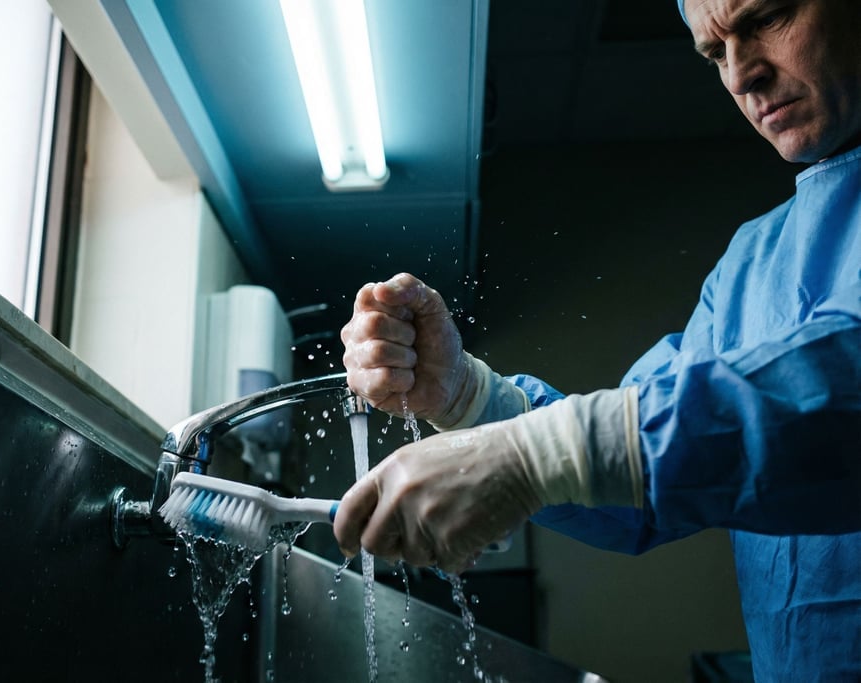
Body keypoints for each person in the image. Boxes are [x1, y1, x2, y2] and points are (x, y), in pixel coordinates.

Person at [333, 0, 861, 680]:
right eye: (713, 53)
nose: (741, 75)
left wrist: (547, 451)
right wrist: (467, 396)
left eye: (765, 18)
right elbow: (637, 480)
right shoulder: (753, 264)